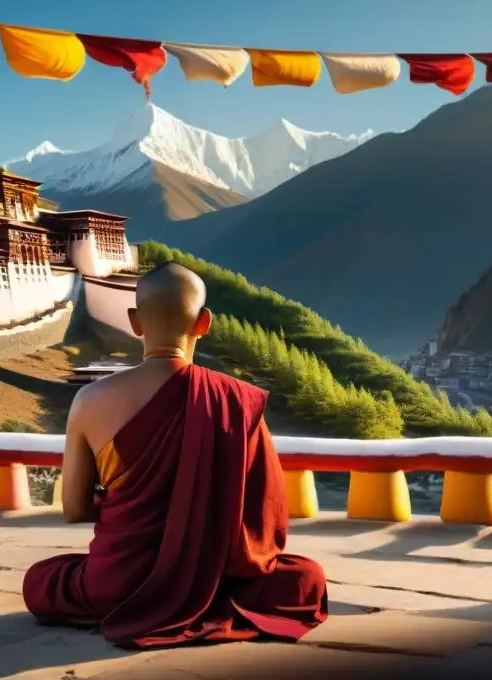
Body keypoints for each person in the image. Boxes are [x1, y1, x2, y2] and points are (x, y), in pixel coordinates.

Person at [21, 261, 328, 648]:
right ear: (204, 322)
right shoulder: (235, 401)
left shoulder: (90, 400)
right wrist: (195, 520)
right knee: (306, 578)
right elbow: (265, 518)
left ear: (135, 321)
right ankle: (199, 603)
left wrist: (128, 505)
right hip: (216, 581)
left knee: (40, 580)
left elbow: (76, 509)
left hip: (119, 583)